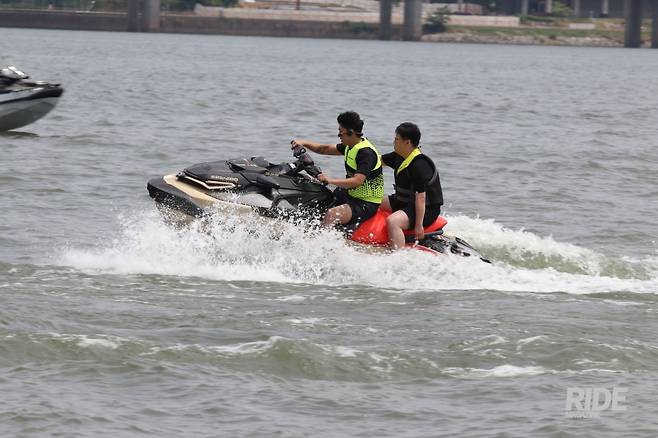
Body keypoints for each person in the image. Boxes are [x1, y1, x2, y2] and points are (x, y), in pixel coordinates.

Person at [291, 111, 384, 228]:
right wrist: (303, 143)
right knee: (318, 192)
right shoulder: (350, 146)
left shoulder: (366, 153)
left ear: (350, 132)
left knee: (332, 214)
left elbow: (357, 181)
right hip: (349, 194)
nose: (338, 135)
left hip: (366, 203)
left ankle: (317, 237)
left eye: (341, 132)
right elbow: (324, 149)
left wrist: (329, 180)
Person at [381, 122, 443, 250]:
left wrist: (419, 225)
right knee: (375, 201)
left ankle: (398, 254)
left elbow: (421, 198)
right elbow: (376, 161)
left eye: (397, 139)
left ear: (407, 142)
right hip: (405, 201)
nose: (393, 142)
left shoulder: (419, 165)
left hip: (426, 210)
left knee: (393, 222)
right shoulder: (398, 157)